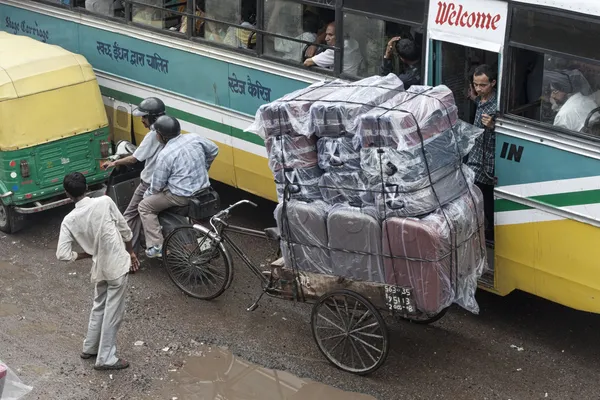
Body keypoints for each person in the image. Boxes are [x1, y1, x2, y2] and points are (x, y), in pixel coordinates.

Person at [56, 172, 139, 371]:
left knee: (99, 306)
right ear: (86, 188)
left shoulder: (69, 219)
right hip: (117, 264)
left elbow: (63, 254)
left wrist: (86, 254)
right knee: (113, 312)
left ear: (68, 194)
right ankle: (106, 358)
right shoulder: (104, 202)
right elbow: (125, 230)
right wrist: (131, 252)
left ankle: (90, 348)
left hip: (99, 266)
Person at [139, 116, 219, 258]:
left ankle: (156, 246)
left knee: (145, 207)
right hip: (204, 192)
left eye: (156, 133)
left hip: (181, 198)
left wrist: (146, 195)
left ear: (162, 136)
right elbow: (214, 150)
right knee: (204, 223)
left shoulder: (165, 154)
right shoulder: (194, 138)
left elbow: (157, 185)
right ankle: (206, 248)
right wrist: (204, 168)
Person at [102, 97, 166, 255]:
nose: (142, 120)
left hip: (149, 182)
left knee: (130, 214)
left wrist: (114, 163)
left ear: (151, 117)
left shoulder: (153, 135)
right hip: (168, 182)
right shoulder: (169, 130)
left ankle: (130, 253)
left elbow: (135, 158)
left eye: (144, 117)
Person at [466, 64, 497, 244]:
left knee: (486, 201)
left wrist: (493, 127)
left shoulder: (496, 106)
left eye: (482, 85)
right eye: (476, 84)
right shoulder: (481, 100)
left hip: (486, 164)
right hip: (475, 157)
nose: (478, 88)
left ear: (493, 83)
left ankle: (490, 231)